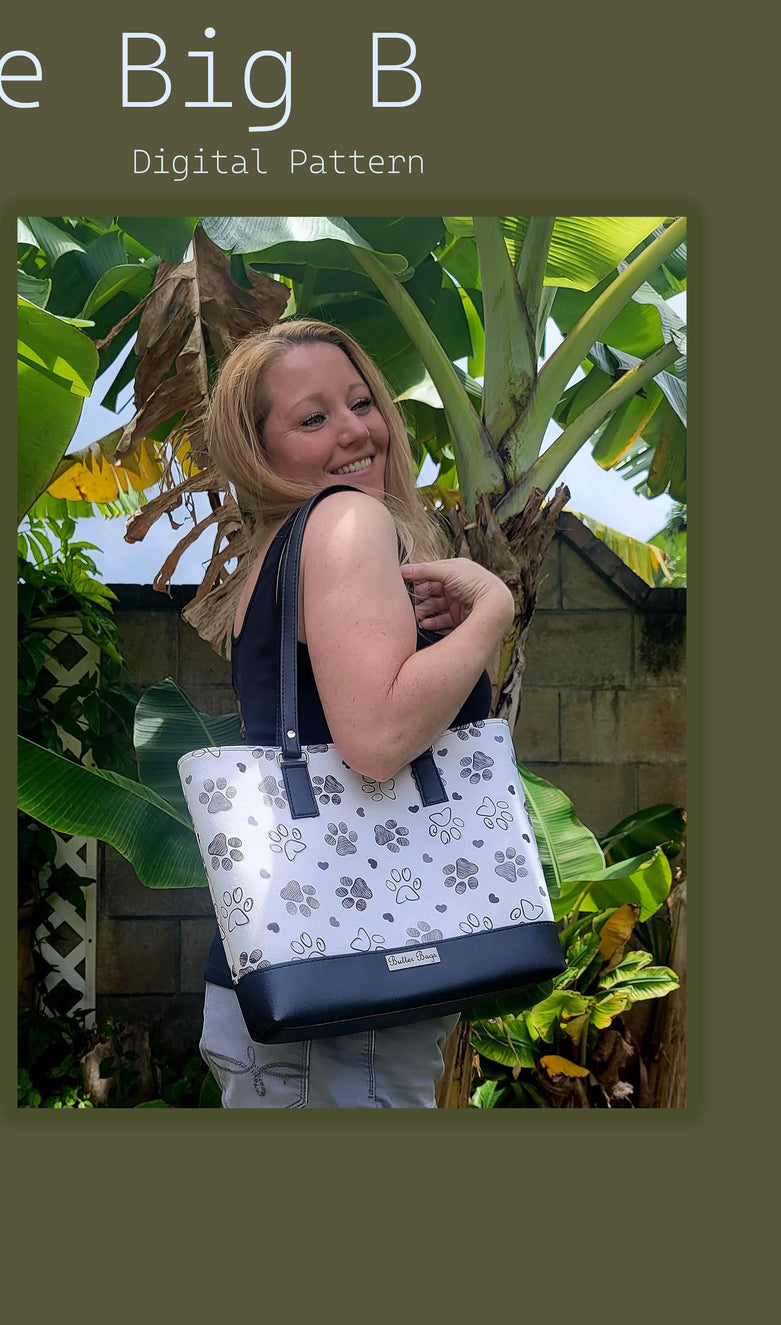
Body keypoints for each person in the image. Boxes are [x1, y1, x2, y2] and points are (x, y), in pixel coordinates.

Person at [197, 319, 515, 1108]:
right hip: (352, 1006)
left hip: (310, 984)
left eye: (361, 402)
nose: (355, 431)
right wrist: (491, 611)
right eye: (312, 419)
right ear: (257, 450)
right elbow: (376, 740)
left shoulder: (276, 553)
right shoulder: (345, 521)